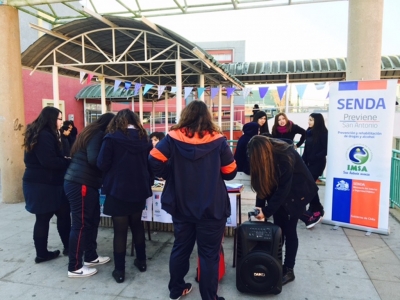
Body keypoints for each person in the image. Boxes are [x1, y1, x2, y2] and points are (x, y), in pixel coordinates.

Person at [149, 100, 237, 300]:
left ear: (185, 116)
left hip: (182, 205)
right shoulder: (219, 140)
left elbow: (154, 158)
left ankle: (176, 290)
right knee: (208, 255)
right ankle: (209, 297)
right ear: (207, 117)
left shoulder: (172, 138)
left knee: (181, 247)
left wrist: (168, 173)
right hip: (212, 208)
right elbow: (231, 171)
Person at [248, 135, 319, 285]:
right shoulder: (266, 156)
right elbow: (262, 183)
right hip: (284, 192)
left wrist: (266, 212)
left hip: (298, 193)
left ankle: (289, 269)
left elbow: (283, 189)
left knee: (289, 230)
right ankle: (276, 261)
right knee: (279, 228)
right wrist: (259, 208)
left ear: (263, 153)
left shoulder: (286, 155)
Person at [97, 109, 153, 283]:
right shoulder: (145, 138)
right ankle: (141, 261)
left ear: (117, 121)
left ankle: (119, 271)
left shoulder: (111, 138)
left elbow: (101, 163)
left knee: (120, 231)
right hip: (139, 189)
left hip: (117, 189)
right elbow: (150, 163)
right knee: (137, 225)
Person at [64, 113, 114, 278]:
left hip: (86, 183)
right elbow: (94, 160)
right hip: (81, 183)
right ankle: (75, 266)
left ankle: (91, 256)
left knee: (92, 220)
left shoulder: (91, 132)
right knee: (80, 224)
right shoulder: (97, 134)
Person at [22, 106, 71, 263]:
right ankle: (44, 253)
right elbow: (49, 161)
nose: (61, 122)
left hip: (43, 183)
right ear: (51, 119)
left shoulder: (40, 133)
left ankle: (61, 248)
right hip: (44, 184)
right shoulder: (45, 135)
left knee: (59, 216)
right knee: (48, 218)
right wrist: (66, 160)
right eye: (59, 118)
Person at [302, 113, 328, 222]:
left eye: (311, 120)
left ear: (317, 121)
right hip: (307, 163)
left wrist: (315, 157)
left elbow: (325, 150)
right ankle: (314, 208)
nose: (309, 122)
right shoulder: (309, 132)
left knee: (309, 185)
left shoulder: (323, 133)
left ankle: (317, 208)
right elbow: (306, 148)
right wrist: (302, 161)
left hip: (317, 164)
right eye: (309, 119)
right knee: (309, 185)